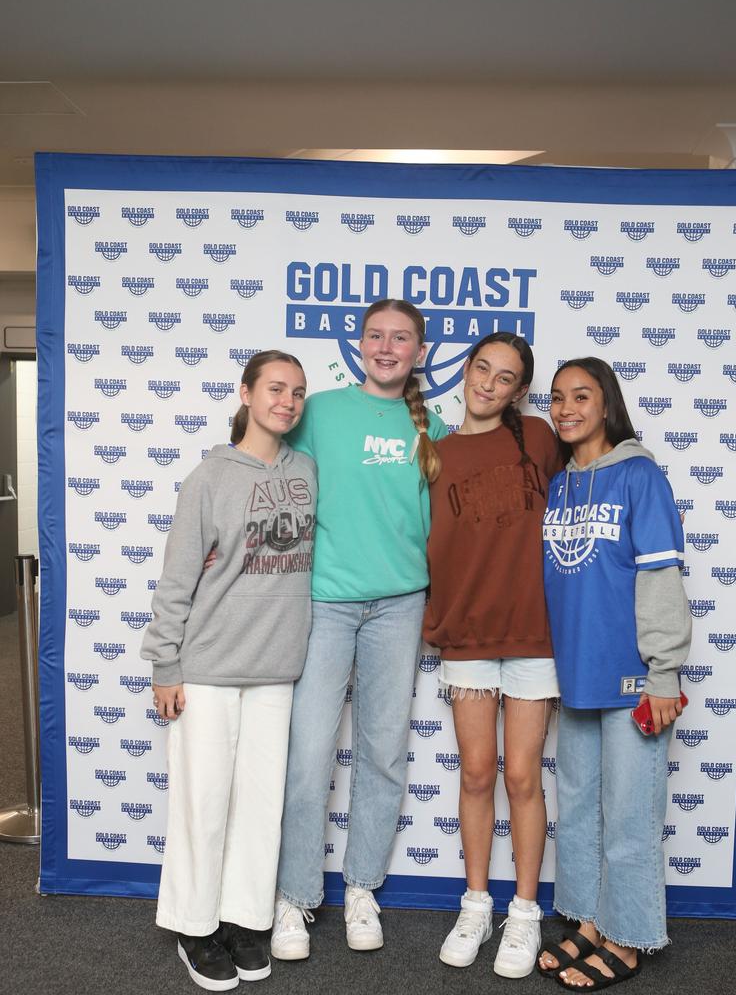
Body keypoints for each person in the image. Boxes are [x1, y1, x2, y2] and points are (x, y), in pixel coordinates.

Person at [270, 298, 448, 960]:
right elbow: (270, 471)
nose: (386, 346)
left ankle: (363, 889)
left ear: (419, 352)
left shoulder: (435, 426)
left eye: (401, 338)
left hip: (400, 608)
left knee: (382, 751)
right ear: (359, 344)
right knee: (310, 752)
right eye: (376, 335)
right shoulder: (319, 412)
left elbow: (439, 531)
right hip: (326, 603)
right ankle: (295, 897)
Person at [141, 351, 316, 991]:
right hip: (209, 664)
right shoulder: (208, 477)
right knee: (203, 801)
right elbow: (178, 578)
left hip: (277, 666)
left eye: (298, 392)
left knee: (260, 805)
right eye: (275, 389)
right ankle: (194, 925)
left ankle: (244, 917)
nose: (288, 401)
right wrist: (166, 662)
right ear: (245, 393)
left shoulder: (308, 470)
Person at [537, 357, 691, 991]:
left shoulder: (639, 476)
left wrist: (664, 674)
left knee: (628, 815)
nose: (568, 408)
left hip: (632, 678)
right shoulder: (559, 483)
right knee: (577, 809)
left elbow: (659, 581)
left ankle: (628, 937)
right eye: (557, 398)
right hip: (576, 676)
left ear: (607, 404)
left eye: (582, 396)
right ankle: (592, 919)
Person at [422, 331, 562, 978]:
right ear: (467, 371)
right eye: (483, 368)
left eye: (505, 377)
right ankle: (476, 903)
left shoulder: (539, 439)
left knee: (522, 777)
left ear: (519, 391)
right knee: (477, 773)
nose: (488, 383)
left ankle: (525, 911)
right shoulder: (435, 454)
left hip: (534, 636)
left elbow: (601, 467)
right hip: (469, 641)